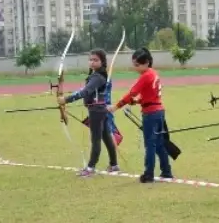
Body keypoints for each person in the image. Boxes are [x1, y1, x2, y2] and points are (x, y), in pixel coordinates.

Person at [112, 48, 171, 183]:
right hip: (158, 111)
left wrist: (116, 106)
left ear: (147, 62)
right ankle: (166, 171)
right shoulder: (153, 73)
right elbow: (150, 95)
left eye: (137, 65)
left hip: (151, 114)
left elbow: (131, 93)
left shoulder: (146, 76)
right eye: (134, 65)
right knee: (159, 143)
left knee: (150, 144)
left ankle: (148, 174)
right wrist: (138, 101)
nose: (136, 68)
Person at [61, 48, 121, 177]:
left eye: (96, 60)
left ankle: (90, 168)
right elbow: (85, 90)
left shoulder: (98, 77)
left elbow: (85, 92)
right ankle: (114, 165)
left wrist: (66, 99)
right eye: (90, 60)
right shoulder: (97, 76)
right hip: (101, 110)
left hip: (96, 111)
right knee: (106, 137)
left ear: (102, 61)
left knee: (96, 140)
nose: (92, 62)